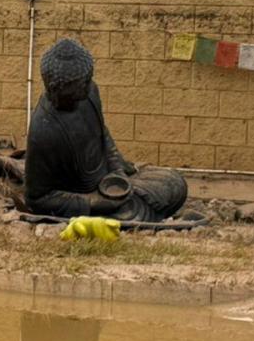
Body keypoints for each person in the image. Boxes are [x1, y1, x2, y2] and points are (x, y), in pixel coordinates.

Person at [23, 38, 187, 222]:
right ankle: (135, 214)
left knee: (174, 182)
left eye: (88, 80)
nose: (87, 87)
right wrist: (93, 202)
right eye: (80, 84)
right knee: (130, 214)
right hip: (82, 196)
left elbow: (103, 136)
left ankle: (136, 209)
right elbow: (36, 199)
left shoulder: (90, 93)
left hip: (110, 183)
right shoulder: (43, 130)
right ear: (56, 88)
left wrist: (118, 172)